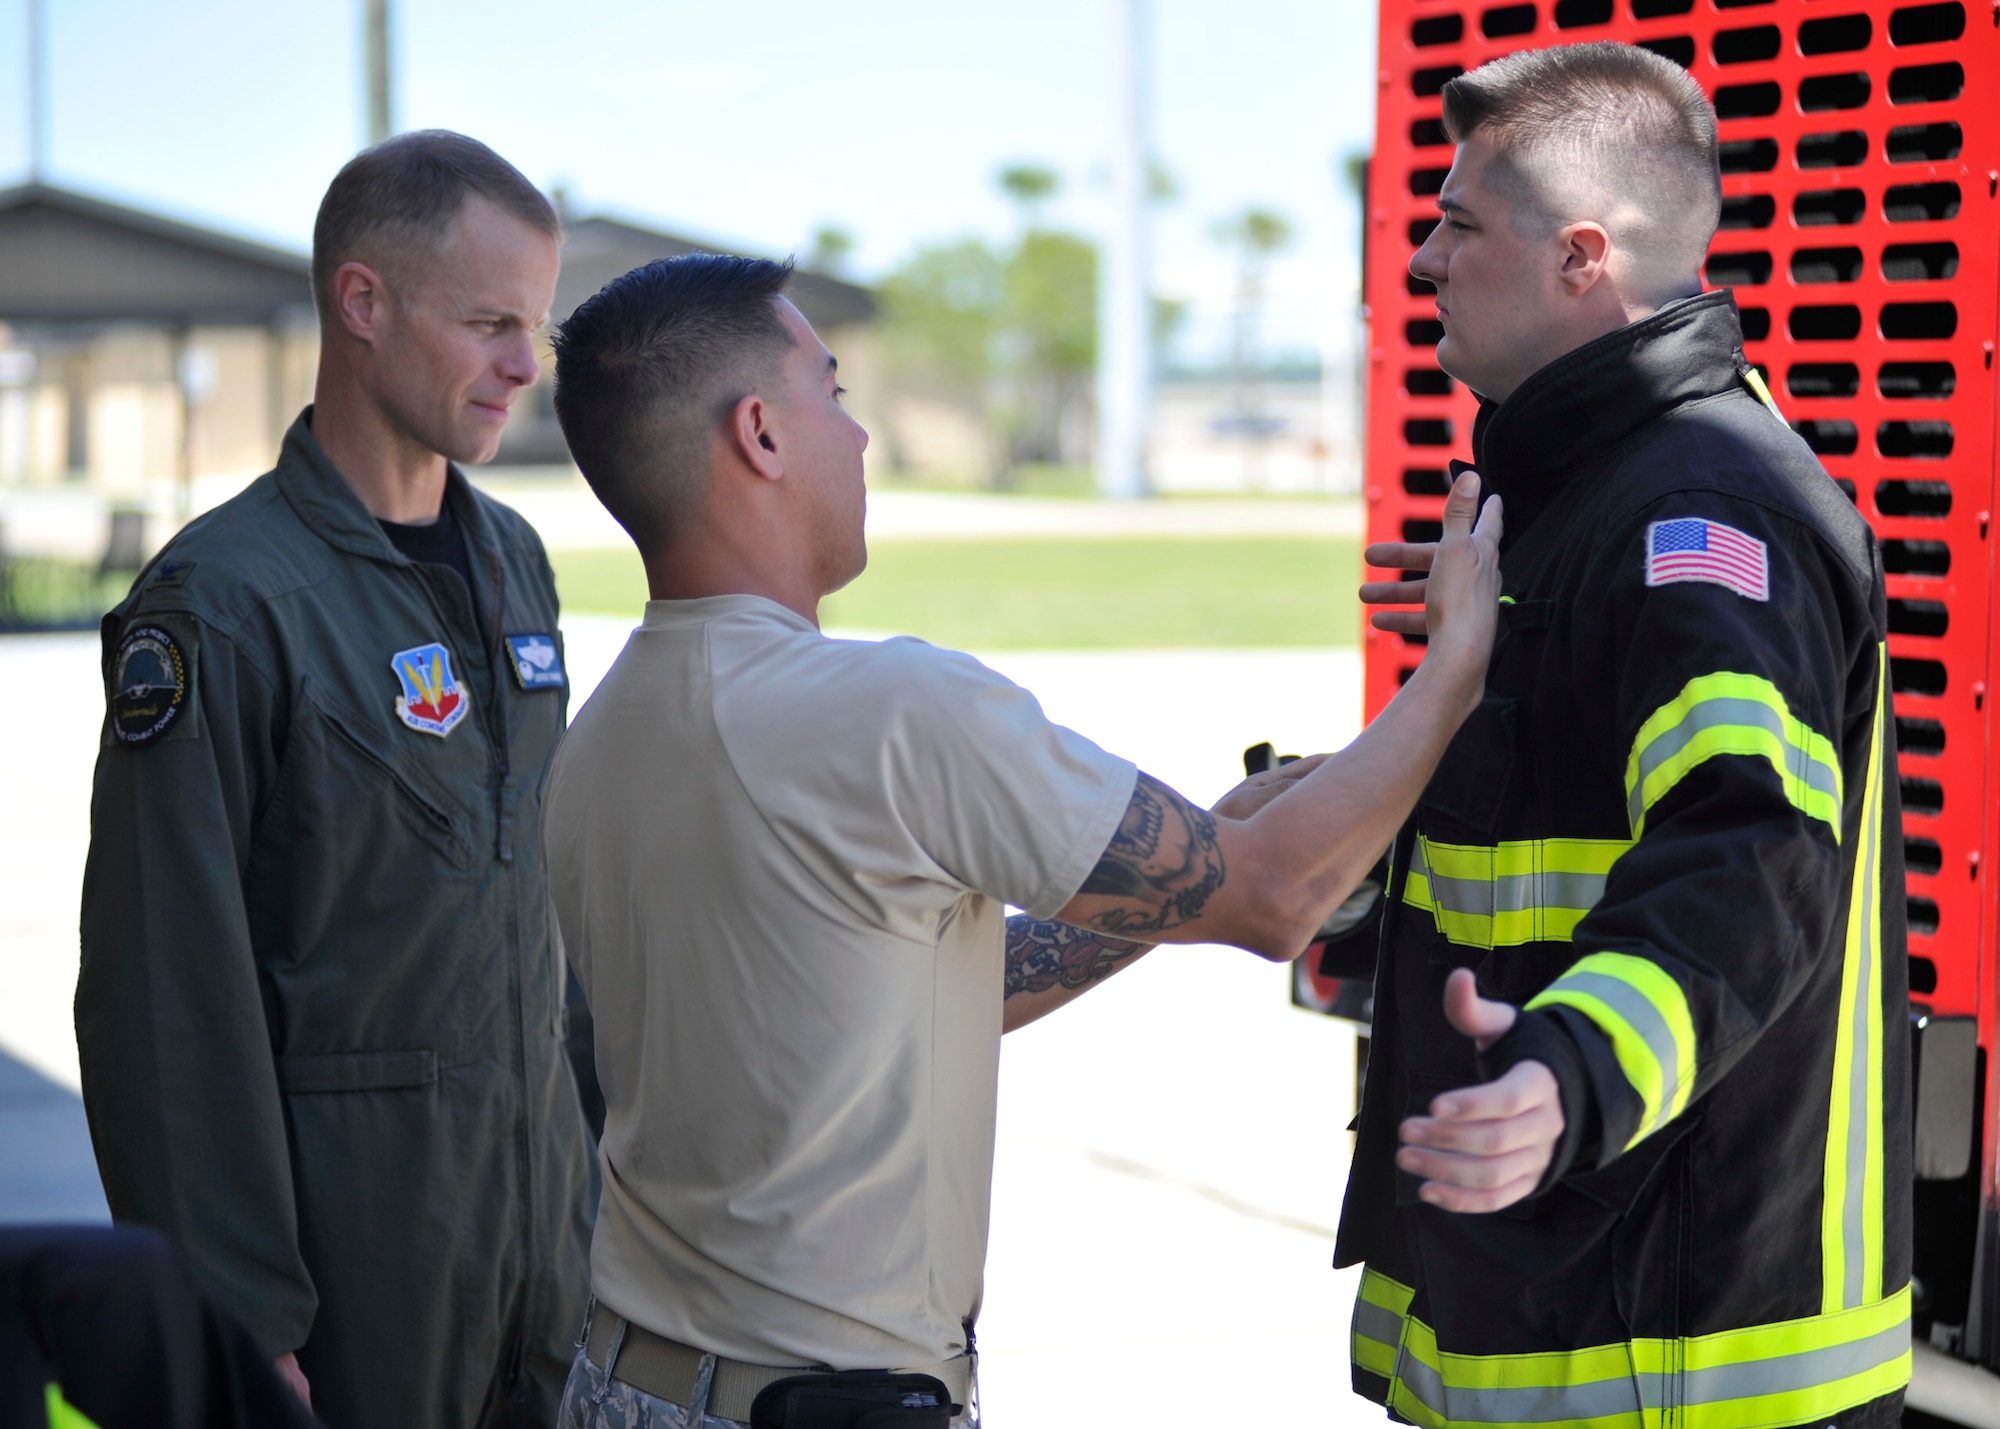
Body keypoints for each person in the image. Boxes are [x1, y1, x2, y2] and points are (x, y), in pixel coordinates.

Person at [537, 252, 1503, 1429]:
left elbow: (885, 991)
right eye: (831, 395)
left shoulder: (600, 737)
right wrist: (1452, 663)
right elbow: (1274, 898)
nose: (861, 440)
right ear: (760, 435)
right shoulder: (891, 708)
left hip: (620, 1383)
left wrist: (1176, 861)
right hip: (820, 1407)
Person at [1338, 42, 1911, 1429]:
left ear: (1581, 256)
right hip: (1557, 1302)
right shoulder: (1578, 489)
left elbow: (1753, 844)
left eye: (1459, 224)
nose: (1420, 260)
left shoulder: (1697, 513)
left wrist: (1572, 1069)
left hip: (1672, 1355)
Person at [76, 131, 595, 1429]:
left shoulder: (513, 562)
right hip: (355, 1281)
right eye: (489, 322)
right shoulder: (221, 605)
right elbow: (165, 988)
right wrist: (240, 1313)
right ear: (363, 304)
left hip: (543, 1266)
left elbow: (539, 901)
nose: (525, 366)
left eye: (534, 327)